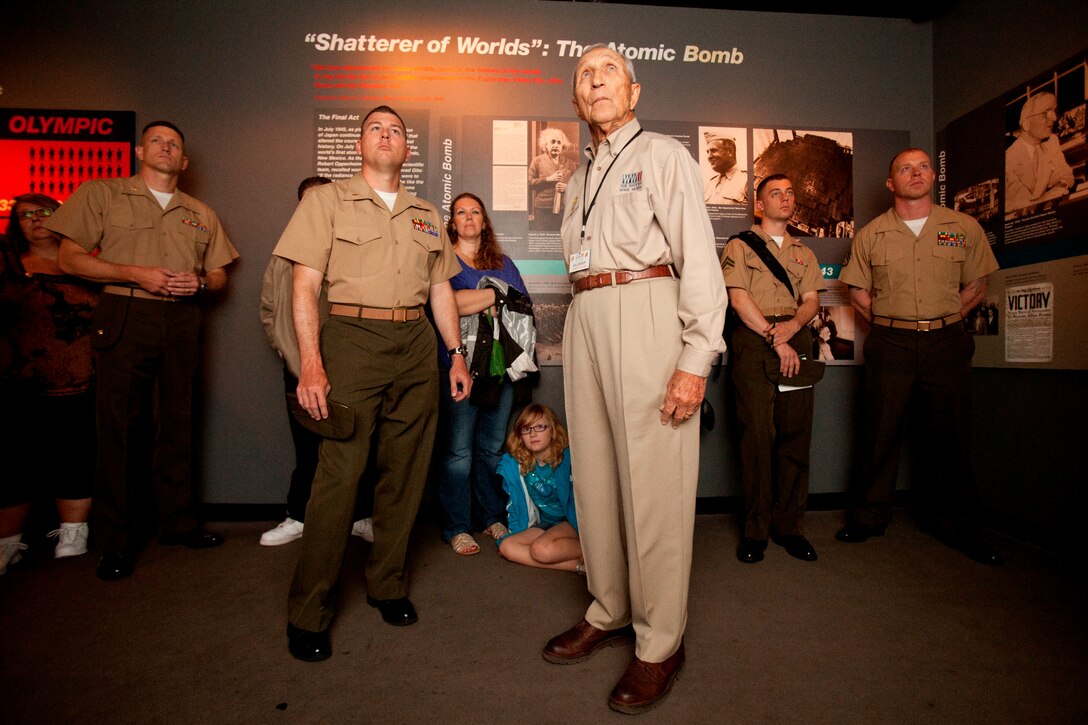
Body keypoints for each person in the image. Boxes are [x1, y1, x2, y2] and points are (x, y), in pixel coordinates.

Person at [542, 45, 727, 714]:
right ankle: (609, 605)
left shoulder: (663, 157)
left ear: (634, 91)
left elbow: (700, 262)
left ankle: (660, 641)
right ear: (574, 98)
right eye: (585, 75)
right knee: (595, 477)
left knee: (654, 484)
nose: (596, 81)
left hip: (647, 308)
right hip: (587, 314)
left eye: (609, 71)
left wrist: (695, 357)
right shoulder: (577, 179)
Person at [272, 105, 471, 662]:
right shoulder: (325, 201)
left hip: (414, 344)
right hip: (351, 339)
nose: (386, 136)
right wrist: (311, 361)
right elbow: (304, 288)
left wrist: (455, 355)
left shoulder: (427, 213)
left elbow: (441, 292)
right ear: (359, 144)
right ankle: (309, 611)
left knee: (406, 472)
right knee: (340, 474)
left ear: (407, 149)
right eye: (375, 128)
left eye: (396, 131)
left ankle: (388, 584)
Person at [50, 121, 239, 581]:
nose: (166, 147)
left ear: (184, 161)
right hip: (125, 311)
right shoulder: (104, 194)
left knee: (177, 424)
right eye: (157, 140)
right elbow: (68, 258)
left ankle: (177, 523)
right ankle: (115, 541)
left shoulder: (199, 211)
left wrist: (198, 282)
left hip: (181, 319)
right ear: (140, 150)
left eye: (175, 143)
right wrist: (134, 273)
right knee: (118, 429)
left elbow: (218, 275)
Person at [837, 148, 1003, 566]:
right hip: (889, 343)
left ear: (933, 176)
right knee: (879, 433)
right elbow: (856, 290)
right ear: (891, 183)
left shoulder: (962, 227)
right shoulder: (872, 234)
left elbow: (978, 283)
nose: (916, 173)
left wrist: (944, 319)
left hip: (944, 342)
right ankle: (869, 518)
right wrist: (893, 322)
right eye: (905, 169)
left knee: (952, 436)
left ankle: (959, 526)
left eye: (923, 166)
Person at [258, 176, 374, 546]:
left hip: (349, 366)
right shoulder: (283, 257)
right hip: (299, 367)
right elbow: (269, 310)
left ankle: (360, 516)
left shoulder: (352, 251)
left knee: (357, 445)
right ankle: (299, 516)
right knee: (306, 445)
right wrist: (292, 356)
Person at [720, 174, 824, 564]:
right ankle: (755, 530)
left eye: (789, 191)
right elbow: (738, 297)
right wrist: (774, 336)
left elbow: (811, 300)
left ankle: (790, 527)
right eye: (774, 193)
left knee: (795, 434)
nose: (784, 198)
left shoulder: (804, 252)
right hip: (755, 338)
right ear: (759, 205)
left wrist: (793, 329)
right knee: (757, 436)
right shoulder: (740, 246)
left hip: (795, 337)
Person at [0, 194, 100, 574]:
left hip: (79, 377)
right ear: (16, 223)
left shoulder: (86, 263)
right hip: (16, 380)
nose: (36, 220)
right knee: (14, 459)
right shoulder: (7, 263)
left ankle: (73, 531)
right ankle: (8, 541)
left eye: (45, 212)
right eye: (26, 215)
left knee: (75, 454)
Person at [437, 192, 531, 555]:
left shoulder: (503, 262)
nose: (468, 217)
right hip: (458, 367)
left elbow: (523, 304)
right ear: (452, 222)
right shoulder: (443, 262)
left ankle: (491, 516)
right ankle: (457, 526)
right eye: (460, 212)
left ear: (484, 220)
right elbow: (447, 303)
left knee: (491, 449)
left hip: (500, 370)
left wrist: (478, 296)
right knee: (458, 452)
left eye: (475, 211)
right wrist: (495, 296)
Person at [495, 404, 582, 572]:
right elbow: (515, 503)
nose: (533, 434)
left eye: (540, 427)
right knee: (507, 546)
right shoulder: (519, 465)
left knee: (539, 550)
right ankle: (580, 567)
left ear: (553, 430)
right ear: (520, 436)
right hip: (546, 523)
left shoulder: (569, 459)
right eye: (526, 429)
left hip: (571, 522)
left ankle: (594, 555)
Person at [1005, 92, 1075, 215]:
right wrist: (1043, 199)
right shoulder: (1008, 159)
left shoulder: (1051, 142)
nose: (1054, 118)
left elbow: (1064, 173)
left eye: (1054, 111)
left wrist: (1060, 185)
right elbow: (1006, 207)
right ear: (1026, 123)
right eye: (1045, 113)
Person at [528, 128, 578, 230]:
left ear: (562, 146)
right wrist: (548, 179)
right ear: (546, 145)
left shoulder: (570, 163)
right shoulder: (537, 161)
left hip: (564, 209)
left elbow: (579, 187)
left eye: (559, 143)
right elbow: (530, 183)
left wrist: (567, 187)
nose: (555, 145)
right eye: (552, 142)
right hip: (543, 209)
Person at [703, 133, 748, 205]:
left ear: (730, 151)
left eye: (714, 151)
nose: (709, 156)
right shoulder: (709, 184)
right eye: (708, 152)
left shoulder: (748, 180)